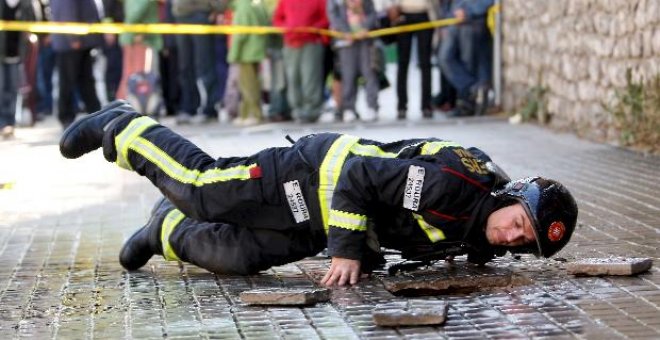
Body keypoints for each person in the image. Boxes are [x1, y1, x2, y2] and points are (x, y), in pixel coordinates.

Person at [59, 101, 579, 286]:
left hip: (324, 223)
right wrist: (349, 252)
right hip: (313, 177)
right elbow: (359, 177)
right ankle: (126, 128)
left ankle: (162, 230)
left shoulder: (483, 223)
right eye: (518, 222)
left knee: (237, 257)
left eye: (522, 242)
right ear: (512, 196)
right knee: (201, 189)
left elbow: (456, 238)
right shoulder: (453, 184)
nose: (511, 238)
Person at [272, 0, 329, 123]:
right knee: (292, 78)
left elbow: (325, 18)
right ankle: (297, 110)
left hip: (311, 43)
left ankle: (312, 110)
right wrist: (287, 28)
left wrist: (312, 28)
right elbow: (277, 19)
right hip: (291, 43)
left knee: (310, 77)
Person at [171, 0, 226, 125]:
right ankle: (188, 108)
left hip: (201, 15)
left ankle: (209, 109)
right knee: (185, 67)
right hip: (180, 15)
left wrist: (216, 8)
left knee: (204, 65)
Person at [50, 0, 103, 129]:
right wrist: (73, 37)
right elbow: (65, 10)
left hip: (80, 42)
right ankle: (67, 116)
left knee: (85, 81)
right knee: (68, 82)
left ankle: (96, 114)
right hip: (72, 43)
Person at [327, 0, 380, 123]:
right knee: (348, 75)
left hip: (365, 40)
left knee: (369, 73)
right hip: (346, 41)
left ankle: (372, 106)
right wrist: (345, 31)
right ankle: (349, 108)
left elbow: (372, 13)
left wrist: (365, 27)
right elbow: (333, 15)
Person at [438, 0, 494, 116]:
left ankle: (467, 103)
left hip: (472, 22)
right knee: (445, 58)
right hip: (454, 22)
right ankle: (472, 89)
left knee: (468, 62)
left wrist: (468, 11)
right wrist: (446, 20)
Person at [227, 0, 270, 127]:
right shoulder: (256, 3)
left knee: (247, 86)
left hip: (246, 52)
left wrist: (233, 54)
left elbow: (241, 34)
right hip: (256, 49)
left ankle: (253, 114)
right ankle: (245, 114)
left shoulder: (242, 6)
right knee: (252, 84)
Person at [1, 0, 35, 139]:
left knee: (14, 90)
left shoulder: (26, 4)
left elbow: (33, 23)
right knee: (1, 89)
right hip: (1, 55)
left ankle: (10, 123)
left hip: (18, 55)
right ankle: (2, 122)